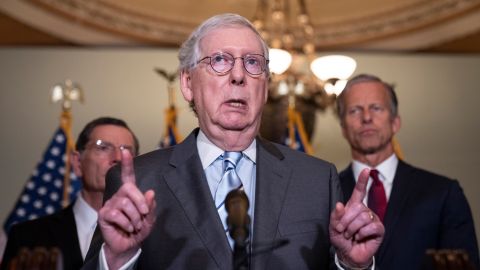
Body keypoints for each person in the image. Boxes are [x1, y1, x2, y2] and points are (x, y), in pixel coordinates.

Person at [82, 14, 384, 270]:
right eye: (219, 60)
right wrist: (117, 258)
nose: (239, 75)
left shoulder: (316, 180)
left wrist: (351, 264)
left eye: (253, 63)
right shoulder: (137, 181)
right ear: (188, 84)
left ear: (264, 88)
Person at [336, 73, 480, 270]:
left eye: (376, 108)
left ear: (396, 122)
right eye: (354, 110)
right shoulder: (325, 195)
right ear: (343, 127)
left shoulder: (443, 193)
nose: (367, 117)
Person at [1, 117, 139, 270]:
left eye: (126, 150)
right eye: (103, 147)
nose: (118, 158)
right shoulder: (26, 237)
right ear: (77, 163)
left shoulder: (154, 240)